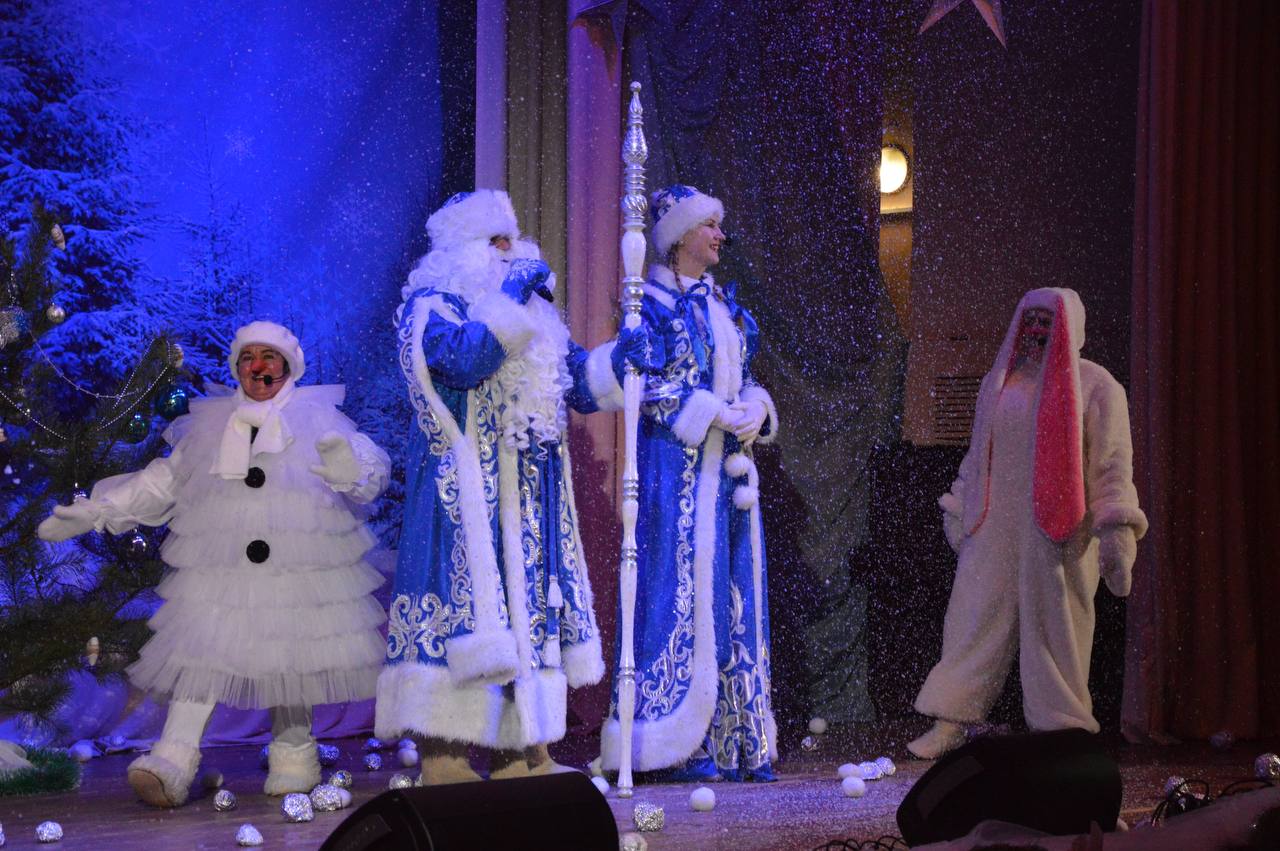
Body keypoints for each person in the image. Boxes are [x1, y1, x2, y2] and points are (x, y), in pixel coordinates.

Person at [38, 321, 390, 806]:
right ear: (237, 367)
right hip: (222, 569)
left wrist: (354, 472)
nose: (258, 368)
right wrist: (98, 511)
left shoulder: (318, 419)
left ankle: (293, 753)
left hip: (297, 566)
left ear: (288, 366)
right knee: (200, 651)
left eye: (269, 357)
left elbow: (370, 465)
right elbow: (164, 481)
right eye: (248, 358)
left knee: (293, 654)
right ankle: (173, 757)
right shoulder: (211, 426)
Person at [375, 189, 656, 784]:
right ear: (462, 249)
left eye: (513, 238)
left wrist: (618, 359)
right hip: (461, 501)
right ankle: (445, 755)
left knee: (527, 618)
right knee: (463, 615)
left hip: (529, 503)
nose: (511, 250)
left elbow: (580, 384)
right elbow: (463, 362)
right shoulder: (431, 307)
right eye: (495, 241)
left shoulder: (533, 316)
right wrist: (507, 299)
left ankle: (523, 751)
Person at [908, 288, 1147, 760]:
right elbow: (979, 455)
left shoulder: (1098, 385)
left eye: (1047, 320)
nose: (1038, 330)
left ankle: (1062, 732)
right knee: (971, 621)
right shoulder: (1000, 383)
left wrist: (1116, 530)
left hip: (1059, 531)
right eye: (1031, 319)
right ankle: (950, 720)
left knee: (1059, 630)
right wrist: (960, 507)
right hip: (995, 526)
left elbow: (1111, 465)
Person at [598, 185, 779, 783]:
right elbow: (643, 383)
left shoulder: (722, 304)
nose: (721, 236)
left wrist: (754, 406)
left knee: (729, 596)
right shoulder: (649, 303)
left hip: (727, 476)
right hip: (675, 474)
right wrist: (711, 411)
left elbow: (743, 375)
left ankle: (729, 739)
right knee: (676, 594)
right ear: (680, 237)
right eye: (710, 226)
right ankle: (671, 742)